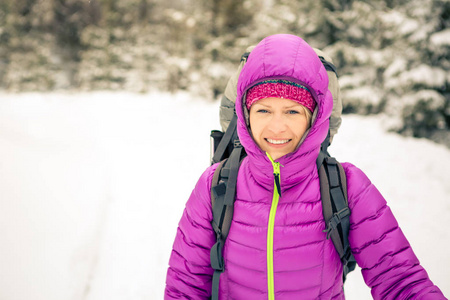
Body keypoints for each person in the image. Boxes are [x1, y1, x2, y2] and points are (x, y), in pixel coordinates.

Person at [164, 34, 446, 299]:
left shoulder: (347, 186)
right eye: (263, 109)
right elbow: (185, 287)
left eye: (292, 111)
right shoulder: (216, 184)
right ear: (245, 115)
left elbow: (400, 279)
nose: (277, 126)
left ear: (315, 117)